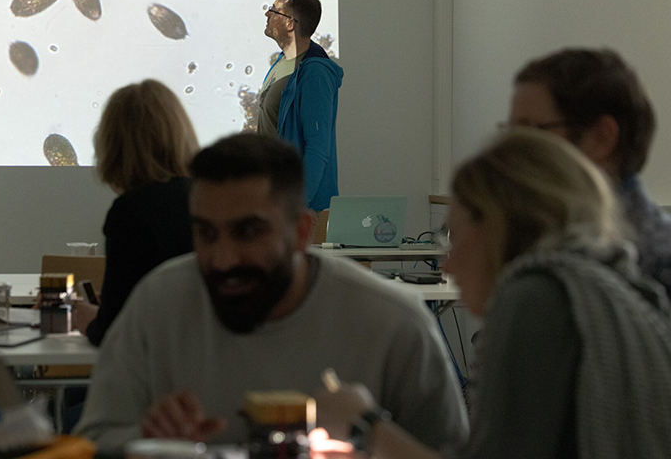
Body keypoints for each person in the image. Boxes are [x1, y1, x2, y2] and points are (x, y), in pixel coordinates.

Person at [74, 134, 467, 451]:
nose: (223, 259)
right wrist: (150, 443)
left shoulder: (393, 326)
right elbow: (93, 442)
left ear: (300, 232)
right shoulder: (157, 304)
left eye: (249, 232)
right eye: (206, 233)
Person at [317, 129, 671, 458]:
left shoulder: (534, 301)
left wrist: (365, 424)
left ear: (494, 227)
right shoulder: (616, 288)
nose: (447, 265)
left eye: (453, 236)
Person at [509, 47, 671, 297]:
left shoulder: (657, 264)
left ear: (601, 138)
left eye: (530, 131)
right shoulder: (542, 239)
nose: (512, 150)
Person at [71, 79, 199, 347]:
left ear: (112, 146)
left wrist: (87, 320)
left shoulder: (130, 213)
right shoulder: (210, 199)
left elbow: (114, 332)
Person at [259, 0, 343, 212]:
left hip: (296, 209)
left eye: (274, 10)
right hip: (273, 198)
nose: (267, 14)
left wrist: (295, 209)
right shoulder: (281, 62)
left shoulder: (315, 72)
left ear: (290, 23)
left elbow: (317, 148)